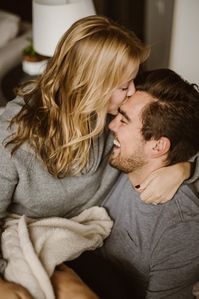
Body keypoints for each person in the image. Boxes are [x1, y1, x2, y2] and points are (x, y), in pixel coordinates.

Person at [0, 15, 196, 298]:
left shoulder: (113, 121)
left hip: (83, 243)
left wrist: (184, 168)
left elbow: (181, 132)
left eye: (134, 80)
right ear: (90, 85)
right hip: (27, 236)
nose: (132, 93)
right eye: (124, 85)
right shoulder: (13, 137)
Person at [98, 69, 199, 298]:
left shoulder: (179, 229)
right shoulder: (124, 160)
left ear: (157, 146)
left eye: (123, 120)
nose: (111, 126)